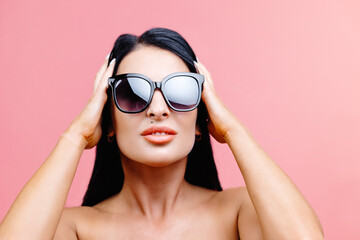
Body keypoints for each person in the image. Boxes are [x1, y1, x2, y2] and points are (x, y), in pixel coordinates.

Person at [0, 28, 324, 239]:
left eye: (181, 92)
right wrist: (76, 135)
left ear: (201, 120)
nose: (158, 109)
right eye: (132, 93)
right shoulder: (74, 228)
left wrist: (232, 129)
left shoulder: (239, 213)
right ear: (108, 123)